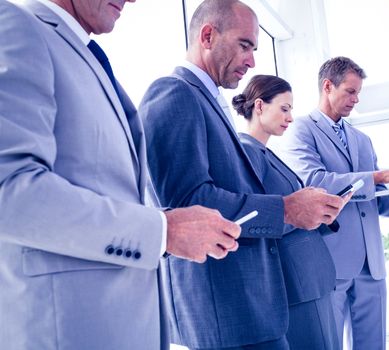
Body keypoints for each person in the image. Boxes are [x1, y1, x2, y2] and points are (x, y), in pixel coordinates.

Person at [0, 1, 241, 349]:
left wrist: (164, 225)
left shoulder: (82, 52)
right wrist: (161, 231)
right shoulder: (16, 27)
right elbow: (11, 193)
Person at [139, 1, 346, 349]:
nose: (252, 61)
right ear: (208, 35)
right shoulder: (173, 94)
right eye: (245, 45)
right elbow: (188, 208)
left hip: (252, 309)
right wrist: (286, 209)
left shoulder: (208, 101)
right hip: (225, 313)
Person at [276, 56, 389, 350]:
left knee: (373, 345)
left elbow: (372, 199)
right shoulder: (301, 129)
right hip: (332, 262)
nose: (356, 100)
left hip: (372, 262)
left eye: (358, 93)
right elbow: (314, 182)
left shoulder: (362, 139)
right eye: (351, 91)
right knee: (328, 343)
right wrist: (381, 175)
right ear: (328, 86)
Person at [233, 74, 345, 350]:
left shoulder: (266, 153)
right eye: (284, 109)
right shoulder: (247, 153)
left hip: (309, 281)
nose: (291, 117)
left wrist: (320, 214)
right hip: (298, 285)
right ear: (259, 106)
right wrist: (304, 213)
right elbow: (259, 219)